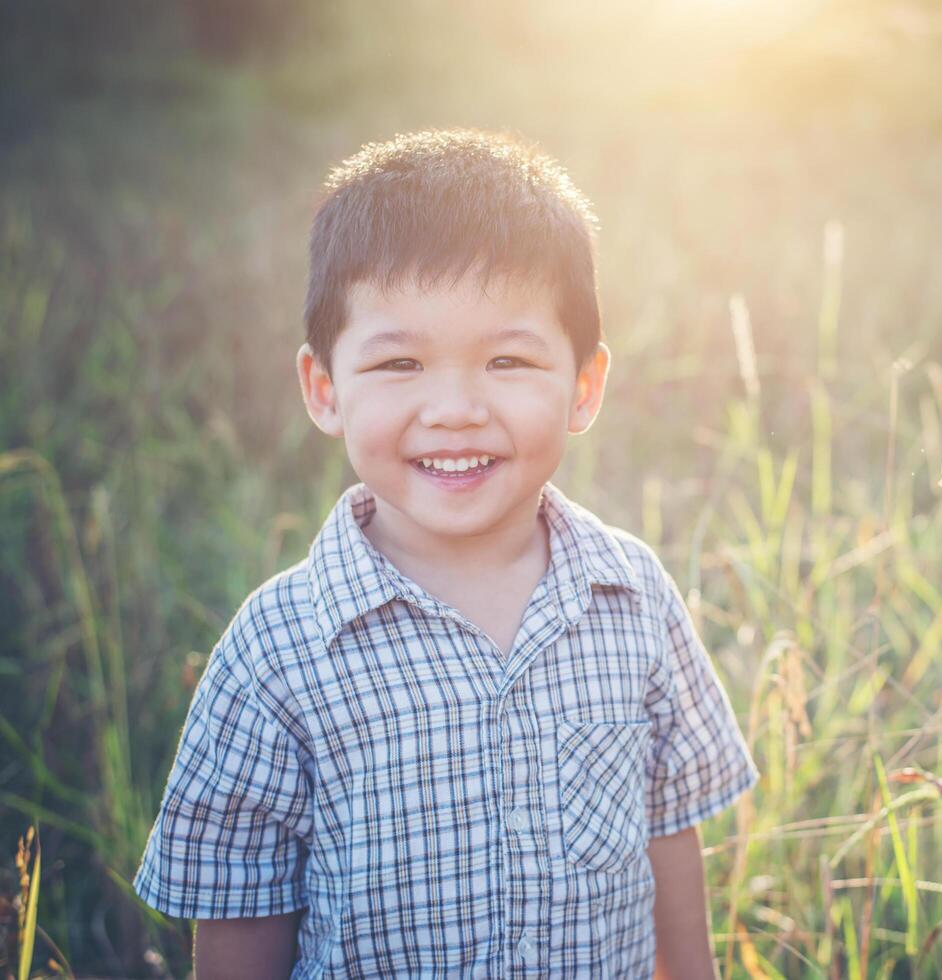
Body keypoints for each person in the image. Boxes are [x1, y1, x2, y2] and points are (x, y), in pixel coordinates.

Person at [132, 129, 759, 978]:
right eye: (399, 363)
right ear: (324, 389)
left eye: (506, 359)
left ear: (583, 387)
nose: (455, 408)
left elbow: (667, 844)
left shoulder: (631, 595)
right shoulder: (279, 650)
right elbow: (241, 926)